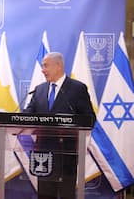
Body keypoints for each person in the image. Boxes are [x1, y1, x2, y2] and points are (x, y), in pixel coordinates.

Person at [24, 52, 96, 199]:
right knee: (44, 195)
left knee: (65, 196)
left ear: (58, 66)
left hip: (66, 154)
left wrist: (69, 122)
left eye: (46, 65)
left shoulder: (77, 88)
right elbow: (28, 114)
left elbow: (89, 119)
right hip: (43, 156)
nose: (43, 70)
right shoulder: (40, 89)